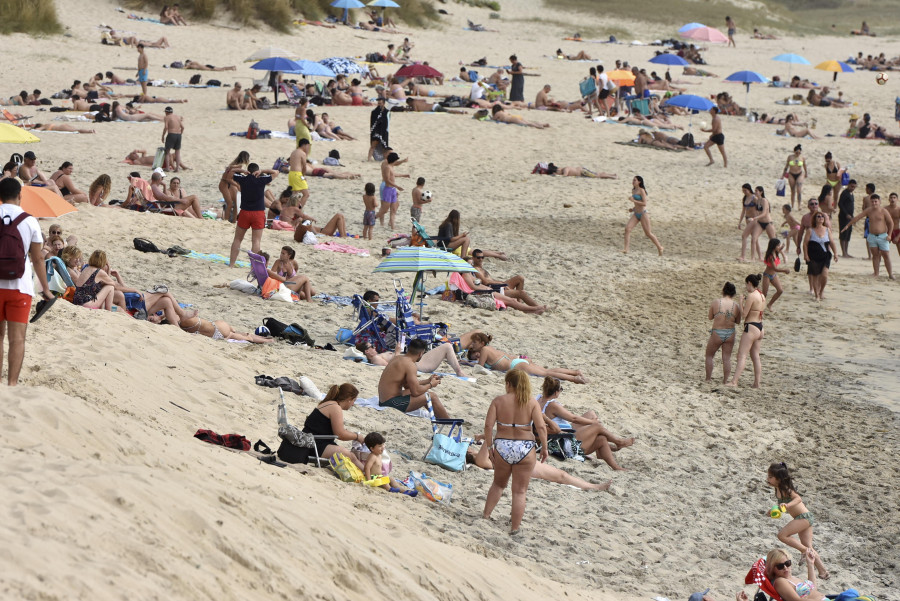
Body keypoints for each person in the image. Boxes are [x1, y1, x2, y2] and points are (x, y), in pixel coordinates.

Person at [0, 179, 52, 386]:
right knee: (17, 339)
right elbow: (38, 259)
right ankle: (12, 384)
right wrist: (46, 290)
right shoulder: (29, 221)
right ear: (20, 195)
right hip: (20, 287)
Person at [482, 370, 547, 535]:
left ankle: (486, 516)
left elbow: (488, 426)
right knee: (519, 491)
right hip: (525, 447)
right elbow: (540, 427)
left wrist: (490, 448)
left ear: (509, 384)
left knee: (498, 484)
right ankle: (515, 528)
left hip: (503, 444)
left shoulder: (498, 401)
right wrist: (544, 448)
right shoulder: (532, 403)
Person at [538, 377, 634, 470]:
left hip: (563, 431)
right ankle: (619, 442)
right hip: (562, 440)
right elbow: (573, 418)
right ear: (556, 392)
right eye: (561, 389)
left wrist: (591, 421)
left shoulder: (538, 399)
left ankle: (613, 463)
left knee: (591, 415)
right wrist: (593, 422)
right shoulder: (552, 405)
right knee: (598, 428)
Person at [767, 462, 829, 580]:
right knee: (808, 546)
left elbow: (798, 499)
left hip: (804, 517)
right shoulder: (777, 489)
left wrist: (787, 505)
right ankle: (823, 571)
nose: (767, 479)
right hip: (802, 517)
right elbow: (784, 507)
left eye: (770, 477)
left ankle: (804, 552)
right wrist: (774, 511)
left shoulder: (786, 488)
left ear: (778, 478)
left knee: (782, 535)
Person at [466, 332, 586, 383]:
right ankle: (575, 372)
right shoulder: (490, 349)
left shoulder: (485, 350)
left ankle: (575, 379)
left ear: (482, 343)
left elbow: (479, 367)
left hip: (515, 366)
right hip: (517, 362)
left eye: (474, 343)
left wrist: (465, 362)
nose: (472, 345)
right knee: (547, 371)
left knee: (546, 373)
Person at [377, 338, 450, 419]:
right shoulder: (410, 365)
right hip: (390, 403)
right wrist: (431, 384)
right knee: (431, 396)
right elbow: (416, 392)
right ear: (421, 354)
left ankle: (440, 417)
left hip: (384, 400)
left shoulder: (398, 358)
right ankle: (448, 422)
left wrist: (428, 380)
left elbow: (408, 386)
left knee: (423, 392)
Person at [301, 383, 366, 469]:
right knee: (351, 457)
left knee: (350, 456)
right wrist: (357, 437)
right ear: (349, 399)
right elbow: (340, 434)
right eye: (354, 400)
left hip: (311, 440)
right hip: (315, 445)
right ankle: (371, 477)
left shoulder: (328, 403)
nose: (353, 404)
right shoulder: (335, 408)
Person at [228, 163, 277, 267]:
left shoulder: (243, 179)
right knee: (256, 241)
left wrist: (242, 172)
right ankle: (254, 267)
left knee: (237, 239)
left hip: (245, 212)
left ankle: (231, 264)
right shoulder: (261, 180)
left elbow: (230, 171)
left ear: (248, 171)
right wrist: (262, 171)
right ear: (257, 171)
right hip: (258, 213)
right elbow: (276, 172)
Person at [841, 194, 894, 279]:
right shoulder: (869, 210)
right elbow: (858, 217)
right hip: (872, 236)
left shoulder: (884, 211)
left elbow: (891, 223)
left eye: (876, 201)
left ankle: (890, 274)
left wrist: (890, 234)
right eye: (872, 201)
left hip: (882, 236)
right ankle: (876, 273)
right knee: (875, 255)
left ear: (879, 201)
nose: (874, 203)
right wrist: (848, 225)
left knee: (886, 255)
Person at [727, 274, 765, 388]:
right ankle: (757, 383)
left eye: (746, 284)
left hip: (751, 327)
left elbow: (744, 315)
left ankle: (734, 382)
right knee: (756, 356)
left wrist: (740, 302)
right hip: (760, 326)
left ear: (749, 283)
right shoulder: (761, 295)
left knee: (741, 355)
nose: (746, 287)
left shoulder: (752, 296)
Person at [356, 340, 465, 377]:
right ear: (367, 351)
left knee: (447, 346)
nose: (374, 347)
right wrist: (397, 352)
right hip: (417, 364)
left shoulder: (378, 356)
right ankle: (459, 372)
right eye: (372, 347)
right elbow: (392, 367)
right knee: (447, 346)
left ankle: (459, 370)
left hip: (413, 360)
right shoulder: (375, 359)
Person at [705, 282, 741, 383]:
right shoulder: (736, 306)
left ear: (723, 291)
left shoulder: (716, 302)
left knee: (709, 355)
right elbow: (738, 322)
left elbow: (710, 317)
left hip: (717, 332)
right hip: (730, 333)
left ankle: (708, 379)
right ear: (734, 293)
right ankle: (725, 381)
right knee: (726, 358)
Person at [623, 176, 663, 255]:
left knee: (648, 233)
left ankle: (660, 247)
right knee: (627, 229)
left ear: (639, 182)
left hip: (643, 213)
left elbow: (644, 203)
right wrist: (633, 208)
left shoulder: (642, 190)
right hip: (636, 213)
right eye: (633, 180)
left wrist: (633, 200)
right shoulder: (633, 190)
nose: (633, 181)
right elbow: (637, 203)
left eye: (635, 180)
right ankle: (626, 249)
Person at [804, 211, 837, 300]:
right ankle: (816, 295)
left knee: (824, 275)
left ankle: (821, 291)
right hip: (813, 256)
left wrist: (835, 254)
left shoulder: (827, 230)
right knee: (815, 276)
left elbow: (832, 242)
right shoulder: (810, 230)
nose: (820, 218)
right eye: (818, 216)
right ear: (815, 219)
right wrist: (806, 255)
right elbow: (805, 244)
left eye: (822, 216)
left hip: (825, 255)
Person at [178, 315, 273, 343]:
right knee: (246, 336)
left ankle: (269, 341)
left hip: (218, 331)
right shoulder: (182, 319)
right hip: (218, 328)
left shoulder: (181, 320)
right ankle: (268, 340)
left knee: (248, 337)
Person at [219, 151, 249, 224]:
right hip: (224, 184)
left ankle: (233, 221)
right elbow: (228, 179)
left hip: (227, 184)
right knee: (230, 203)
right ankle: (225, 221)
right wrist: (237, 185)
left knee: (234, 204)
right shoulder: (238, 166)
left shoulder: (234, 164)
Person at [376, 152, 403, 230]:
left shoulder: (391, 167)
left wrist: (404, 175)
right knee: (384, 209)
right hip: (388, 190)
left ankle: (393, 227)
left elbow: (393, 176)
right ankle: (373, 218)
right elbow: (387, 180)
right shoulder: (387, 167)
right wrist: (397, 186)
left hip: (393, 189)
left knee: (394, 208)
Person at [762, 239, 789, 309]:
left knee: (780, 291)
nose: (779, 247)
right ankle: (758, 306)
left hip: (773, 275)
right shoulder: (770, 256)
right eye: (778, 245)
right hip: (767, 275)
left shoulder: (776, 252)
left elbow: (779, 250)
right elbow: (775, 269)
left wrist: (782, 246)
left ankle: (769, 304)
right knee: (764, 294)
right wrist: (784, 270)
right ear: (773, 246)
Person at [737, 183, 761, 263]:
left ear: (749, 189)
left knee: (744, 235)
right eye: (743, 190)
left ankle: (743, 256)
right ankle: (760, 257)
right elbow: (743, 211)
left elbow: (759, 209)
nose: (744, 192)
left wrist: (758, 219)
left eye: (745, 190)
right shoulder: (745, 198)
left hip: (753, 220)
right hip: (747, 219)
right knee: (755, 239)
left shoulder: (754, 198)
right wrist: (740, 222)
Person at [161, 106, 186, 172]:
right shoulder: (178, 117)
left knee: (167, 152)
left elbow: (166, 127)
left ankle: (167, 168)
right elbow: (183, 127)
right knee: (177, 152)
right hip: (178, 135)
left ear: (166, 112)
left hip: (171, 134)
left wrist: (163, 136)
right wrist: (180, 134)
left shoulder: (167, 117)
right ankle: (177, 168)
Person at [782, 145, 807, 210]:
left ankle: (799, 205)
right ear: (794, 151)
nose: (798, 154)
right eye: (797, 152)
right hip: (791, 174)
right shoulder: (790, 157)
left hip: (800, 174)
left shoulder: (802, 158)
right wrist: (783, 175)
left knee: (799, 190)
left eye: (799, 153)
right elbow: (786, 166)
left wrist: (806, 173)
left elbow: (804, 166)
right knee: (792, 190)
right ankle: (792, 205)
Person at [837, 179, 857, 258]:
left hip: (850, 217)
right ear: (848, 185)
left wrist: (852, 217)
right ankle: (843, 252)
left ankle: (846, 252)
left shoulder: (851, 194)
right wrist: (846, 214)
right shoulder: (844, 193)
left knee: (848, 234)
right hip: (843, 217)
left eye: (854, 187)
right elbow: (840, 204)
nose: (853, 188)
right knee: (843, 233)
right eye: (852, 186)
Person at [288, 140, 311, 208]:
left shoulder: (293, 152)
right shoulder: (302, 153)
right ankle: (298, 210)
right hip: (297, 174)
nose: (308, 148)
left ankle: (288, 210)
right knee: (306, 194)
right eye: (308, 146)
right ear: (304, 145)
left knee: (294, 194)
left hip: (291, 174)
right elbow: (304, 167)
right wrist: (303, 177)